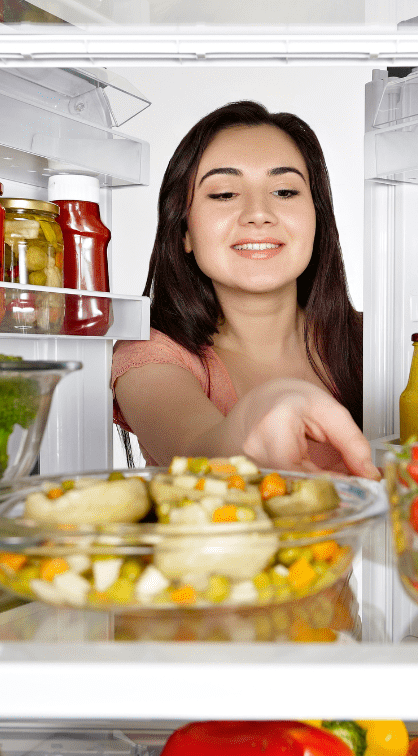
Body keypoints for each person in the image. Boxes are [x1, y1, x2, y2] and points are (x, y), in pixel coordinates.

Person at [112, 101, 378, 478]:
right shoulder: (151, 355)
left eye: (285, 191)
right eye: (224, 194)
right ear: (184, 230)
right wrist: (265, 408)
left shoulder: (379, 341)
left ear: (317, 219)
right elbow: (195, 452)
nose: (258, 212)